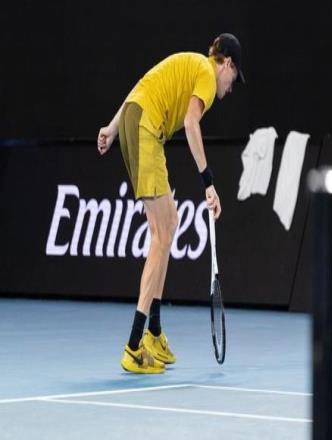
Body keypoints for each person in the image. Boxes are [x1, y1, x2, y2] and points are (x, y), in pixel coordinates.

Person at [97, 33, 245, 374]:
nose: (230, 88)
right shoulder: (206, 73)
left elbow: (141, 86)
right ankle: (134, 345)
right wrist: (208, 182)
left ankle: (154, 331)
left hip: (136, 119)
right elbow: (191, 123)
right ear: (226, 64)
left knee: (170, 224)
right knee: (162, 235)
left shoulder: (190, 64)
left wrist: (114, 126)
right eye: (234, 78)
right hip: (146, 128)